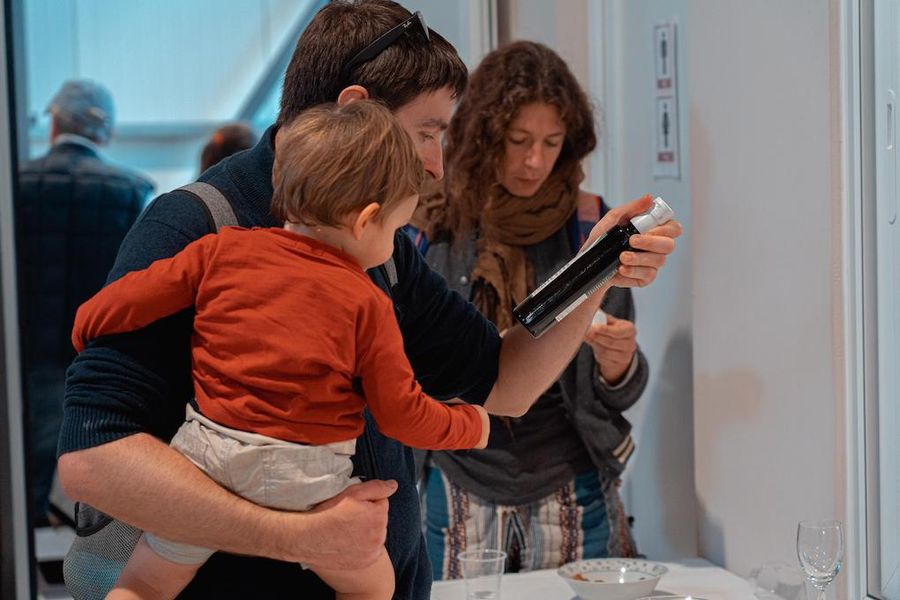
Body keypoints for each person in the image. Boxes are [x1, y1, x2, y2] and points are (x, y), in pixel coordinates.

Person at [58, 2, 681, 598]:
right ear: (356, 109)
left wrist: (596, 265)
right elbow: (92, 462)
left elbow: (504, 381)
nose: (437, 166)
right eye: (426, 132)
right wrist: (300, 535)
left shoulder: (374, 239)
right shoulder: (193, 226)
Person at [72, 101, 489, 600]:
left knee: (141, 585)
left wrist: (84, 329)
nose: (396, 240)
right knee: (376, 586)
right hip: (308, 482)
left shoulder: (221, 249)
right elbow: (401, 414)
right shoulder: (367, 302)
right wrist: (471, 425)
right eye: (397, 228)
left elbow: (126, 302)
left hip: (206, 461)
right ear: (366, 221)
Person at [407, 40, 649, 579]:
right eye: (518, 141)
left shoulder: (592, 227)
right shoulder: (433, 224)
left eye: (552, 142)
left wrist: (619, 364)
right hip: (457, 477)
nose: (535, 161)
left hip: (571, 480)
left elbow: (620, 388)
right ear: (485, 136)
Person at [16, 78, 153, 526]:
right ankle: (99, 576)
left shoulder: (17, 184)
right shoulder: (131, 190)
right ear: (106, 131)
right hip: (100, 355)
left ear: (54, 122)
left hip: (26, 353)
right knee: (102, 475)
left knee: (27, 472)